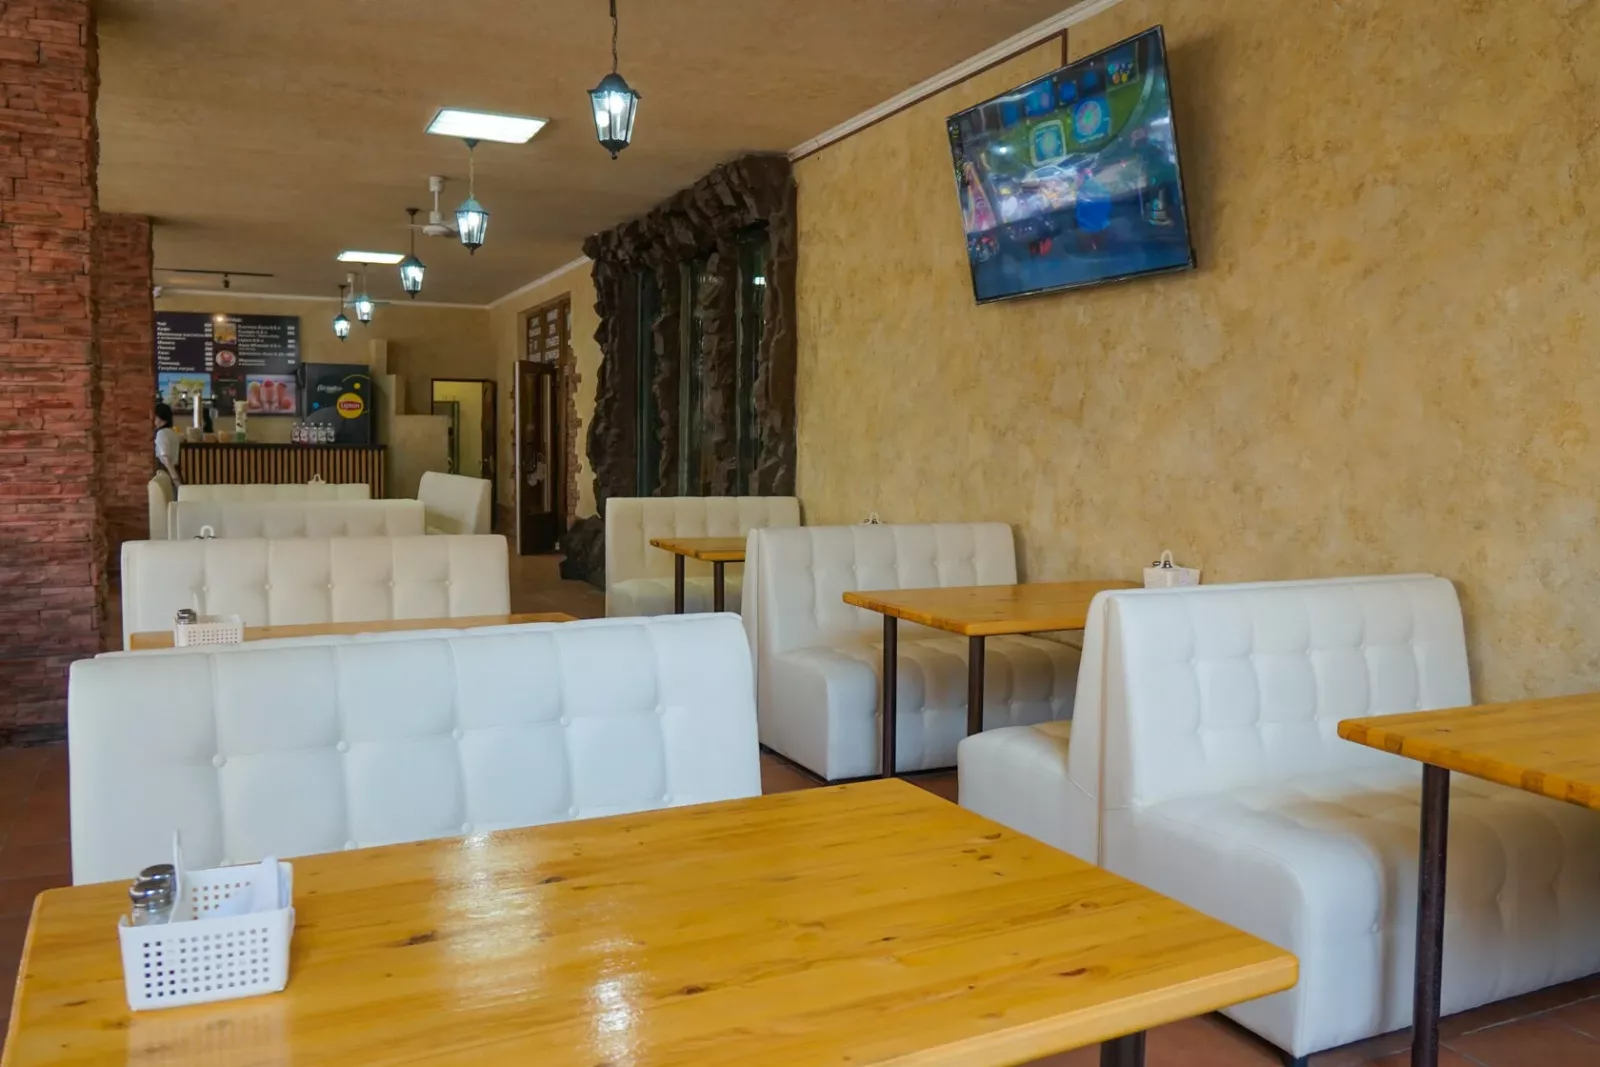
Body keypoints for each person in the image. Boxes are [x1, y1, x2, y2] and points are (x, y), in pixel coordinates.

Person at [154, 401, 182, 489]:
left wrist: (175, 479)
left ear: (160, 418)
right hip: (175, 470)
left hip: (167, 473)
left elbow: (165, 458)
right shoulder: (173, 433)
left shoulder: (161, 434)